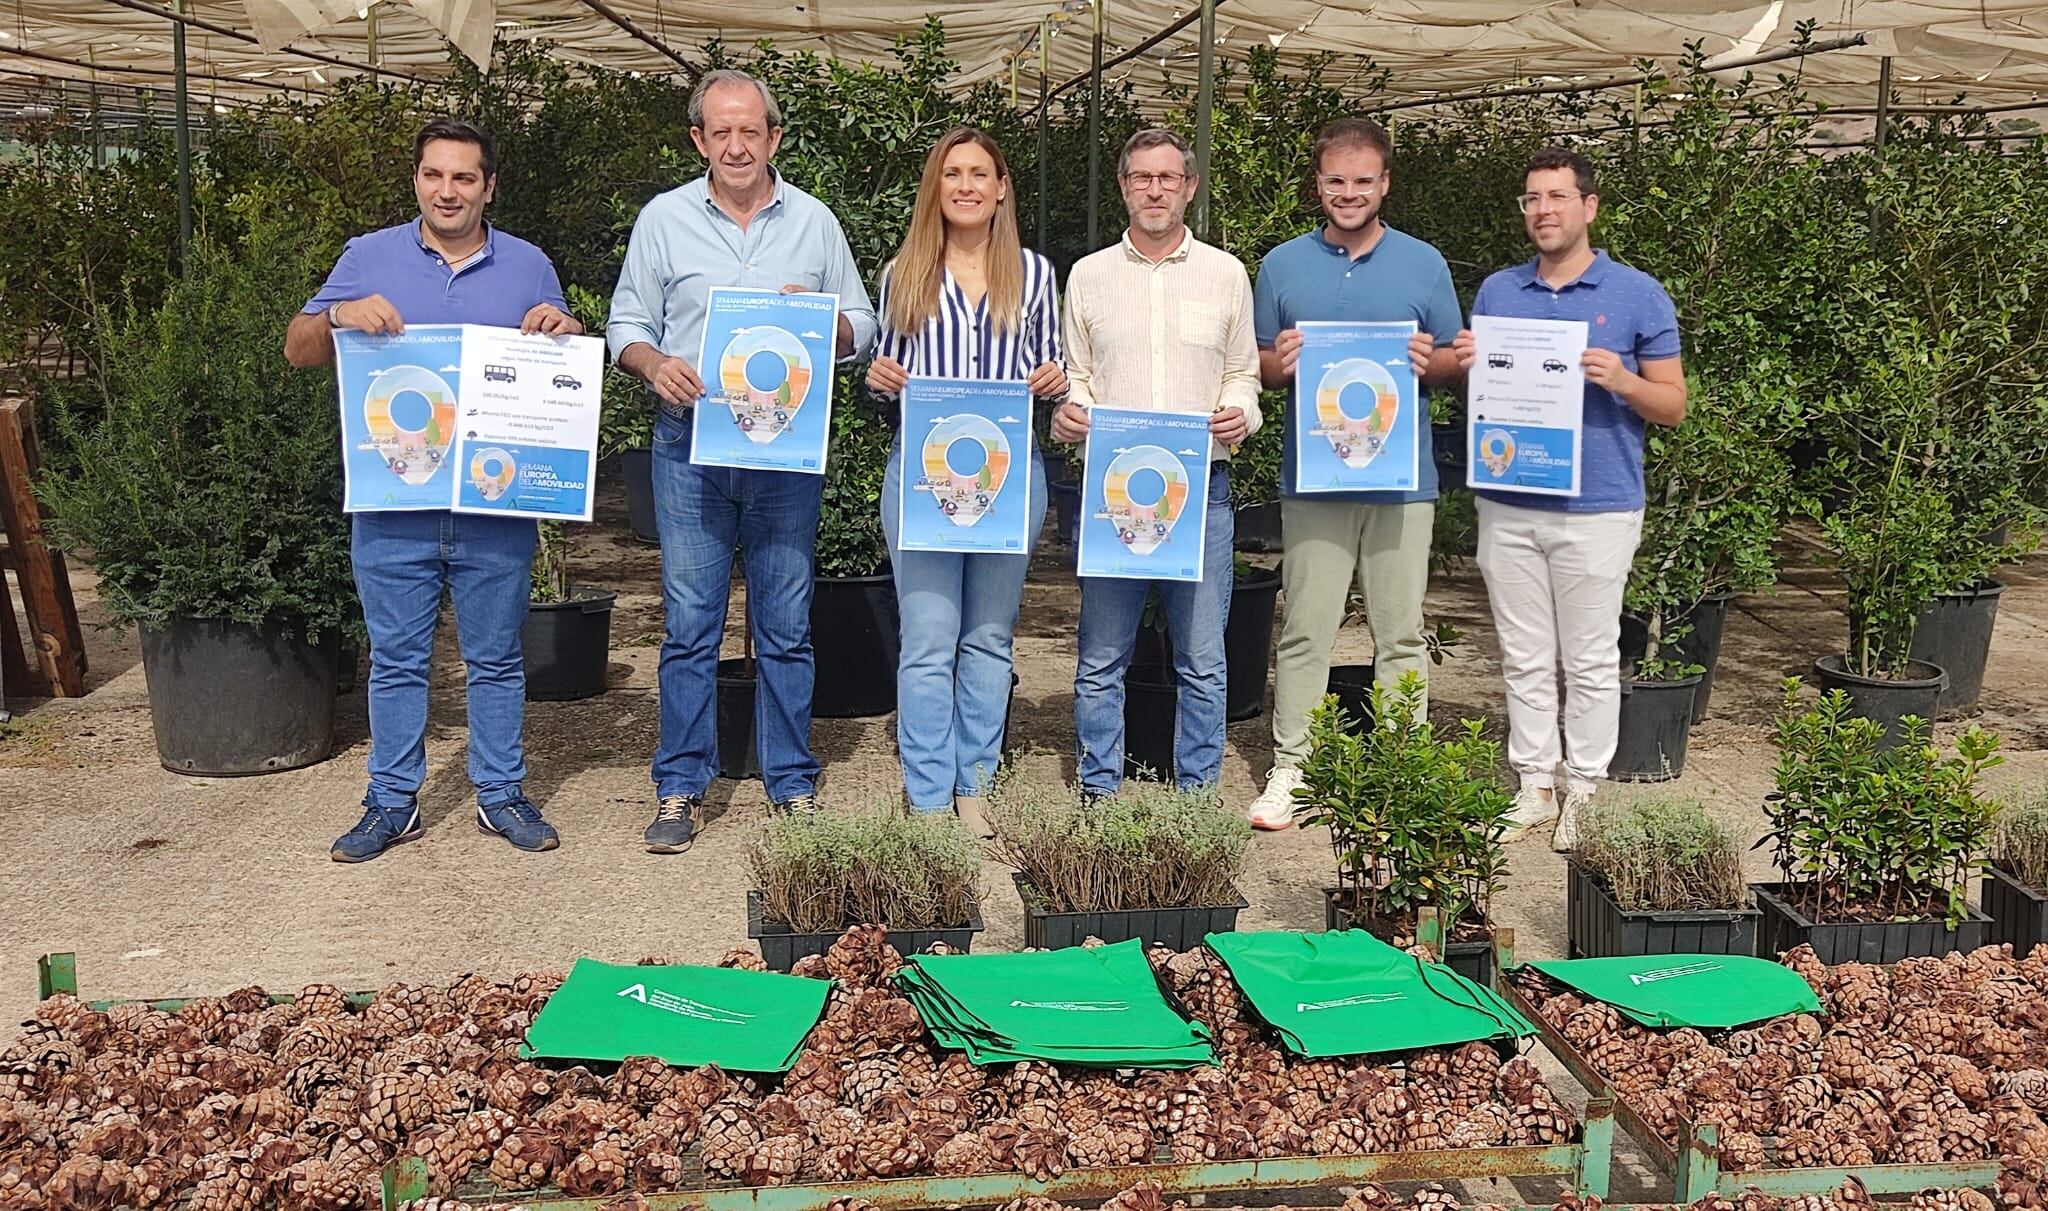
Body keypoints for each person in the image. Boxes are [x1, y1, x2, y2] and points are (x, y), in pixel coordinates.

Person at [284, 118, 583, 862]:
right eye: (433, 175)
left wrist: (564, 328)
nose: (447, 191)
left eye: (463, 177)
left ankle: (500, 794)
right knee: (396, 659)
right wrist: (336, 313)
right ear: (417, 179)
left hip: (493, 502)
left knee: (497, 659)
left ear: (489, 186)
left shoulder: (528, 264)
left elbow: (561, 357)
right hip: (394, 506)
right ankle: (391, 802)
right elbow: (298, 349)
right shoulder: (367, 257)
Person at [608, 69, 878, 854]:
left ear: (774, 137)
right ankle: (680, 784)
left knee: (786, 625)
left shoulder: (815, 223)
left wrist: (822, 326)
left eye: (750, 130)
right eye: (719, 131)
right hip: (688, 446)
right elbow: (625, 320)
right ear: (698, 139)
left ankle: (790, 782)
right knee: (689, 624)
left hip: (784, 452)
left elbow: (863, 320)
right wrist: (654, 364)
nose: (735, 144)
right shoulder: (663, 220)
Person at [1452, 146, 1687, 850]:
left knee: (1587, 655)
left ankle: (1583, 788)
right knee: (1523, 653)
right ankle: (1533, 785)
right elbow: (1490, 399)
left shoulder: (1638, 294)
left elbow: (1673, 405)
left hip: (1600, 505)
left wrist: (1621, 379)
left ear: (1589, 206)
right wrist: (1471, 367)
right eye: (1532, 198)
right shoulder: (1499, 293)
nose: (1543, 210)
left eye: (1557, 197)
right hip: (1510, 497)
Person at [1244, 117, 1465, 831]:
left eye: (1362, 180)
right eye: (1335, 180)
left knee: (1400, 631)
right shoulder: (1281, 265)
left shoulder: (1425, 264)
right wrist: (1282, 357)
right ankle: (1292, 767)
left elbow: (1456, 364)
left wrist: (1433, 361)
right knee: (1306, 626)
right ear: (1318, 184)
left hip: (1403, 482)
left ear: (1385, 184)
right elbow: (1262, 370)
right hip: (1315, 479)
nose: (1348, 192)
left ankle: (1403, 765)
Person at [1051, 128, 1261, 802]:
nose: (1154, 189)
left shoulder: (1226, 274)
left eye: (1168, 178)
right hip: (1113, 494)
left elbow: (1243, 375)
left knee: (1203, 659)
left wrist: (1240, 413)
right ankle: (1099, 793)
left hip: (1203, 493)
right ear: (1123, 185)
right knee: (1101, 656)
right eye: (1141, 177)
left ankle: (1197, 798)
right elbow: (1078, 375)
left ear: (1190, 188)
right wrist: (1073, 412)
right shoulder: (1087, 275)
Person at [865, 127, 1066, 833]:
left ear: (1002, 186)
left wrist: (1056, 380)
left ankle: (974, 784)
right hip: (922, 477)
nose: (967, 185)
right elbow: (883, 379)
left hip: (1011, 479)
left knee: (988, 635)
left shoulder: (1036, 275)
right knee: (927, 634)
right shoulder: (904, 274)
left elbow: (1058, 378)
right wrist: (879, 379)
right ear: (936, 187)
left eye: (981, 173)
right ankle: (925, 792)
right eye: (953, 173)